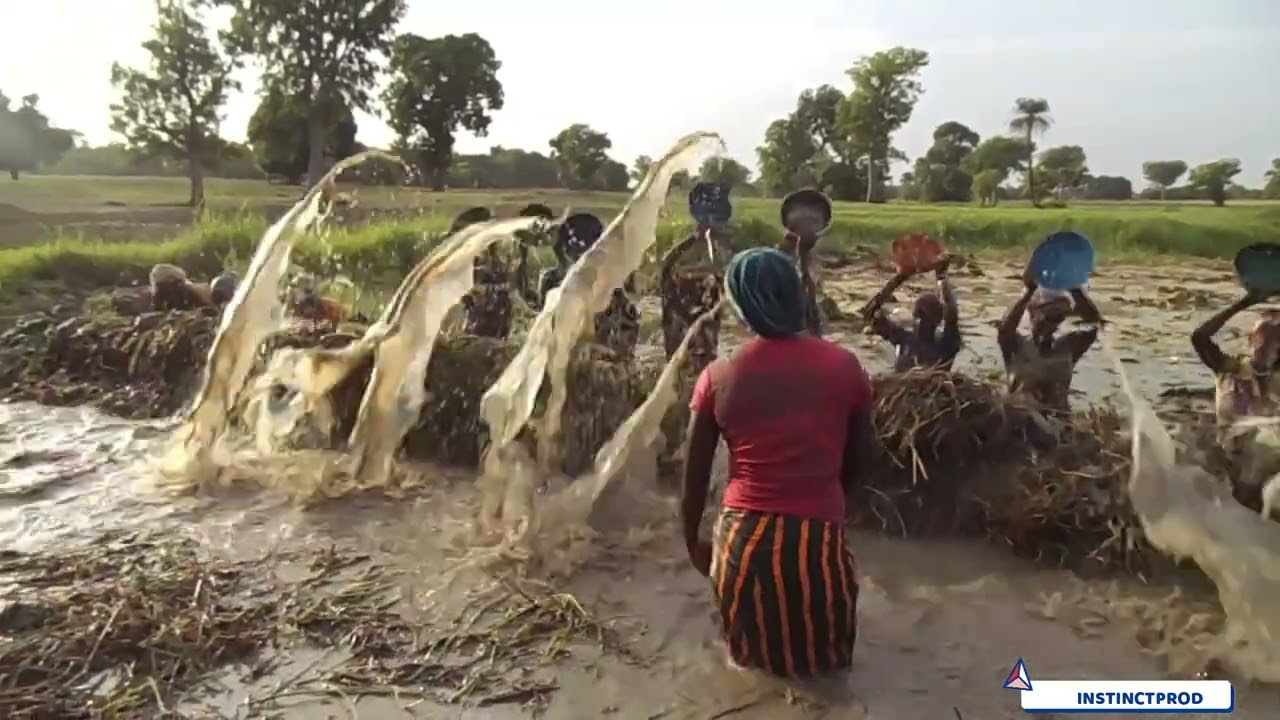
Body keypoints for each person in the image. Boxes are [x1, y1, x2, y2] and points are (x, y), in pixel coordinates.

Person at [682, 247, 871, 678]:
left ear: (740, 302)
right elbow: (860, 460)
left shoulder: (720, 374)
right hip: (818, 542)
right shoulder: (844, 366)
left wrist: (692, 540)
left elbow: (692, 477)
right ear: (794, 294)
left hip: (742, 543)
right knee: (829, 672)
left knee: (747, 671)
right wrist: (833, 509)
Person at [997, 263, 1104, 412]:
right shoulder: (1017, 346)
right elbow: (1004, 328)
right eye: (1047, 316)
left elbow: (1094, 323)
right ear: (1032, 313)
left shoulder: (1067, 348)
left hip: (1058, 419)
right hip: (1020, 419)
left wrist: (1073, 287)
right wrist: (1029, 291)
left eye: (1058, 318)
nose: (1052, 323)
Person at [859, 256, 961, 371]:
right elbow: (870, 313)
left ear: (937, 319)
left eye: (923, 316)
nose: (919, 320)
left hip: (933, 386)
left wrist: (941, 277)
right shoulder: (905, 338)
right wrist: (901, 277)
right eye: (918, 315)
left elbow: (951, 311)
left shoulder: (946, 344)